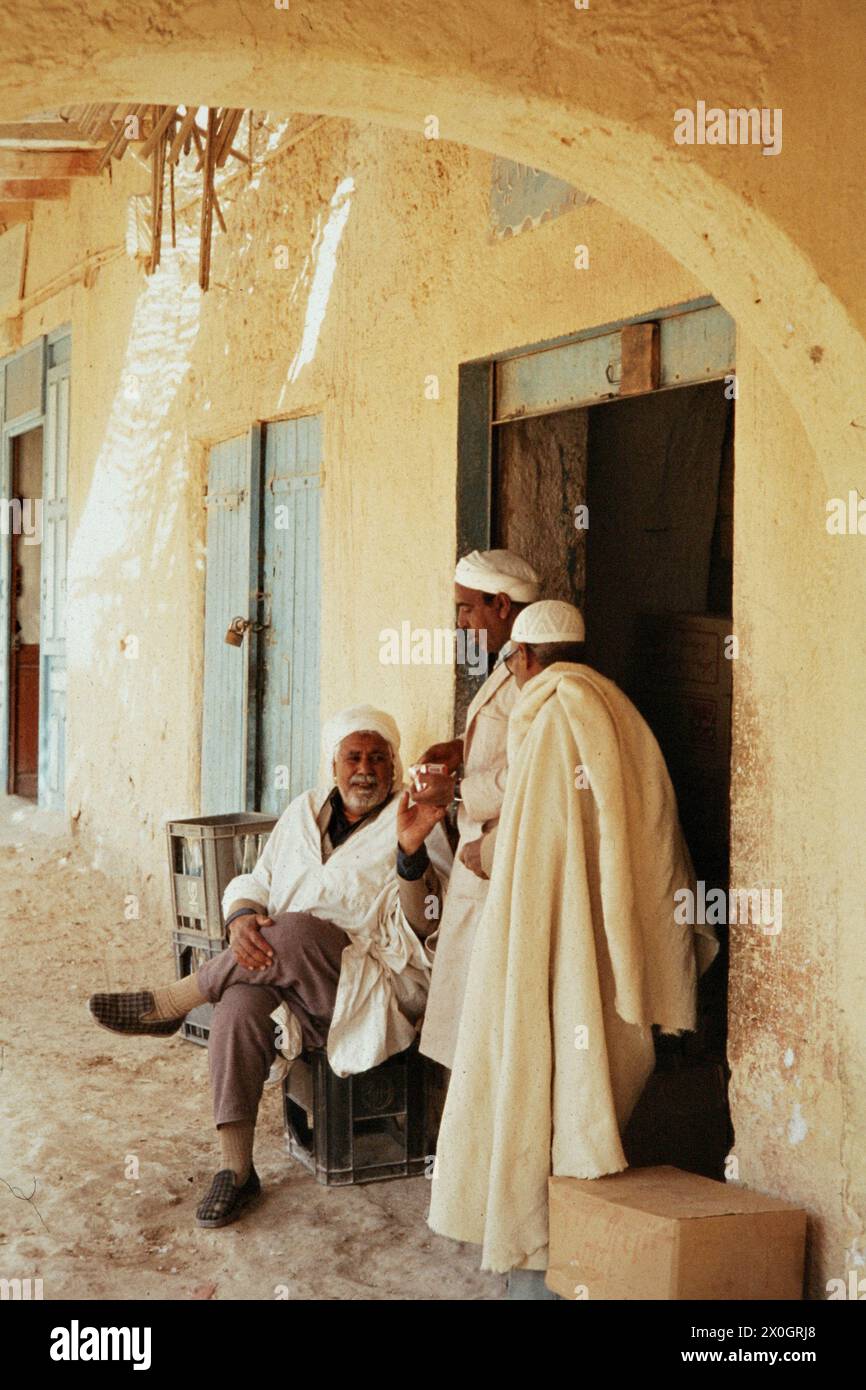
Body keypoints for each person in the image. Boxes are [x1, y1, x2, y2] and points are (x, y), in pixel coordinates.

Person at [427, 601, 718, 1281]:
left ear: (525, 658)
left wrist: (483, 855)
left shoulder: (557, 718)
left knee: (546, 1087)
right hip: (603, 935)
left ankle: (543, 1250)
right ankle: (561, 1243)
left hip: (561, 934)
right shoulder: (616, 709)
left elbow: (540, 843)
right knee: (580, 1086)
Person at [90, 705, 452, 1228]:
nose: (365, 769)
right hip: (286, 981)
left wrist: (410, 852)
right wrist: (240, 919)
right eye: (353, 756)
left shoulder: (413, 818)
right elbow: (254, 881)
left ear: (394, 767)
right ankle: (237, 1171)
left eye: (378, 757)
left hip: (366, 990)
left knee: (301, 928)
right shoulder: (303, 811)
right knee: (237, 1006)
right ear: (334, 765)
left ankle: (173, 1002)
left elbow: (426, 926)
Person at [412, 548, 541, 1070]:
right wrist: (461, 746)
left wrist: (459, 791)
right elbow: (506, 742)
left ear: (502, 604)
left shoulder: (533, 673)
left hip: (497, 855)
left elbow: (533, 772)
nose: (461, 621)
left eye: (467, 608)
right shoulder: (510, 663)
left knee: (484, 1028)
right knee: (463, 1020)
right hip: (481, 857)